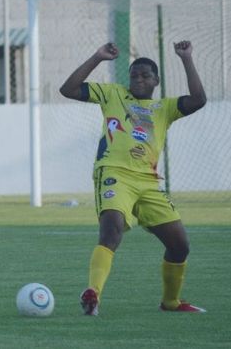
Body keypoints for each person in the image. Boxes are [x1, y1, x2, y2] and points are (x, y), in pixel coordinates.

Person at [59, 41, 207, 316]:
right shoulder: (113, 94)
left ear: (156, 81)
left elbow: (198, 99)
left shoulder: (164, 108)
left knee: (179, 245)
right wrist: (97, 57)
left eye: (145, 76)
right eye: (134, 75)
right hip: (114, 174)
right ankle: (93, 294)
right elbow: (68, 89)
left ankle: (171, 303)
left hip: (149, 183)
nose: (138, 80)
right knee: (111, 231)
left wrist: (186, 58)